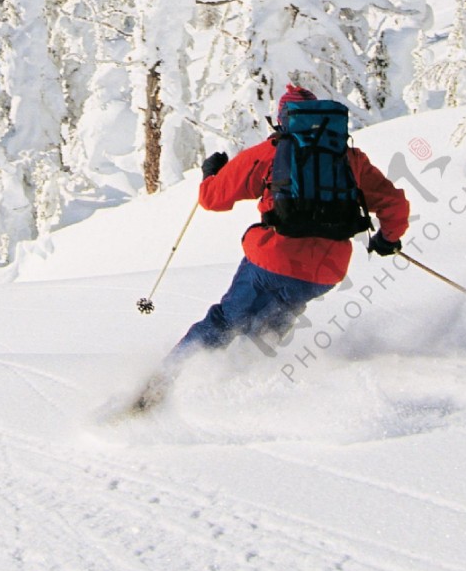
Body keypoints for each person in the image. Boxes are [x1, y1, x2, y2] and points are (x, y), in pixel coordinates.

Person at [173, 82, 411, 361]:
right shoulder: (349, 157)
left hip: (273, 256)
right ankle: (249, 382)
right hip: (325, 270)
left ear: (282, 119)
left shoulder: (270, 152)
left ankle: (163, 382)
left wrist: (211, 173)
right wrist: (387, 239)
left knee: (225, 321)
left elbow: (212, 199)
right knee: (266, 333)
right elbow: (393, 203)